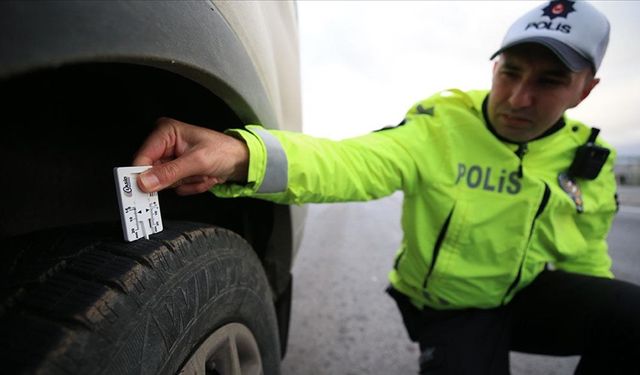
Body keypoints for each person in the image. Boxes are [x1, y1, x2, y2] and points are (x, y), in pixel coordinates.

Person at [133, 1, 640, 374]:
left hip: (526, 298)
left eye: (549, 81)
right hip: (453, 310)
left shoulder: (586, 156)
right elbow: (352, 161)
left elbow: (586, 256)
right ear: (494, 66)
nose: (519, 97)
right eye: (510, 72)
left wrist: (604, 307)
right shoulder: (440, 127)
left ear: (586, 88)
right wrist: (243, 156)